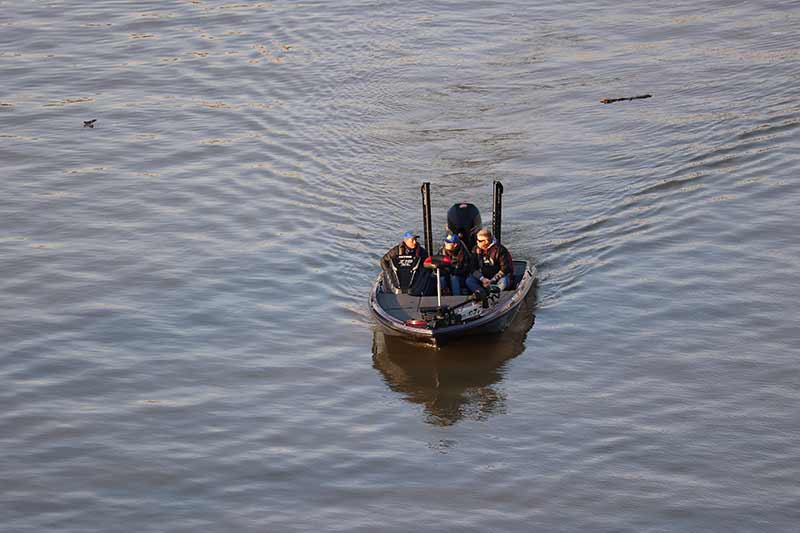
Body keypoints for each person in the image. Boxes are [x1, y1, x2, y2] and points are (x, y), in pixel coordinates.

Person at [380, 230, 430, 294]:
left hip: (415, 277)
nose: (415, 242)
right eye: (412, 240)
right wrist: (388, 271)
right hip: (399, 276)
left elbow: (428, 262)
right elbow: (383, 260)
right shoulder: (396, 250)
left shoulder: (421, 251)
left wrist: (423, 271)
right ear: (406, 241)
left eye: (415, 239)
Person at [465, 228, 514, 292]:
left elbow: (505, 269)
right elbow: (472, 267)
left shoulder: (500, 250)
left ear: (486, 241)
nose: (477, 242)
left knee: (504, 282)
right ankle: (481, 293)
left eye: (479, 240)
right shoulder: (476, 249)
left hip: (497, 277)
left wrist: (492, 280)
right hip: (483, 276)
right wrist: (482, 279)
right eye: (477, 240)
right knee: (469, 281)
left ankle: (495, 292)